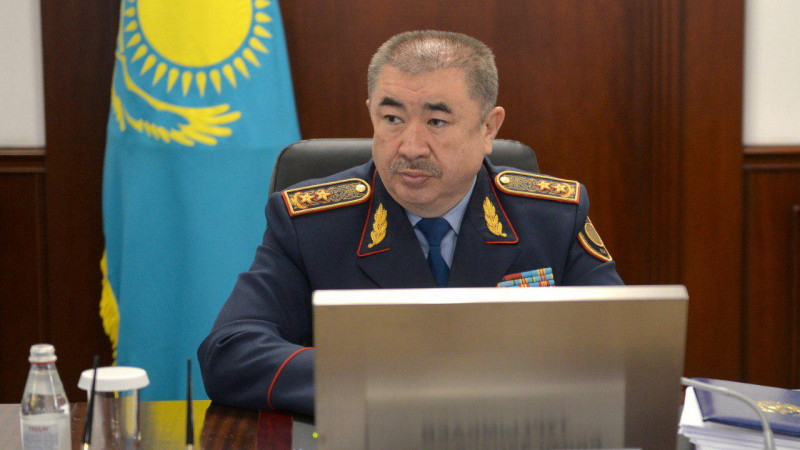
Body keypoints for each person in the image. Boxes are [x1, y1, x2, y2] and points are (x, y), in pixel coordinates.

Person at [198, 30, 623, 416]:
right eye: (392, 119)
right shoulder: (310, 224)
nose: (410, 146)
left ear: (488, 128)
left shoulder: (552, 218)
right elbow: (229, 352)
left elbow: (621, 347)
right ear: (372, 115)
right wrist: (379, 378)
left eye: (436, 122)